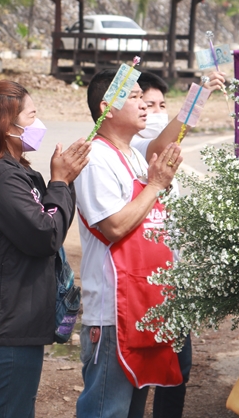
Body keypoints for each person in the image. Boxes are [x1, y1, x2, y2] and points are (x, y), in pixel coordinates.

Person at [0, 80, 91, 418]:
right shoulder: (2, 178)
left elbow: (46, 222)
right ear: (7, 126)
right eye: (32, 116)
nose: (39, 124)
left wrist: (62, 182)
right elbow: (44, 235)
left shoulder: (18, 173)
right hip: (7, 323)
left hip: (17, 319)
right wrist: (60, 182)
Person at [75, 70, 183, 418]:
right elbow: (115, 225)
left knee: (132, 410)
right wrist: (155, 185)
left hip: (142, 305)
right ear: (107, 107)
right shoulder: (95, 158)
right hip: (112, 312)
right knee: (107, 409)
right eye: (135, 97)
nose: (144, 104)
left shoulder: (136, 157)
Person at [130, 70, 226, 418]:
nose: (153, 112)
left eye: (160, 105)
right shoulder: (141, 150)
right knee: (140, 372)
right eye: (145, 104)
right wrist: (197, 96)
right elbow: (161, 141)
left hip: (172, 279)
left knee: (178, 367)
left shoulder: (168, 157)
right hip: (144, 282)